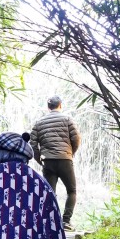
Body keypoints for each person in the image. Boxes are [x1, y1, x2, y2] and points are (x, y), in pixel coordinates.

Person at [30, 95, 81, 231]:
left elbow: (33, 144)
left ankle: (52, 222)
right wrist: (70, 153)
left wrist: (38, 159)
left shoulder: (38, 122)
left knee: (50, 193)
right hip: (65, 160)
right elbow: (76, 138)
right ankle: (66, 221)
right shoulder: (67, 119)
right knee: (72, 191)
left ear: (48, 107)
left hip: (48, 161)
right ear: (60, 105)